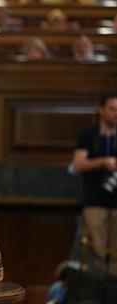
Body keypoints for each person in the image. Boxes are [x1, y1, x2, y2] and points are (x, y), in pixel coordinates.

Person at [72, 91, 117, 275]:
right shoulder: (88, 134)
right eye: (112, 109)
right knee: (96, 254)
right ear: (101, 110)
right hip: (94, 202)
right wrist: (103, 162)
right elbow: (77, 164)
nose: (116, 113)